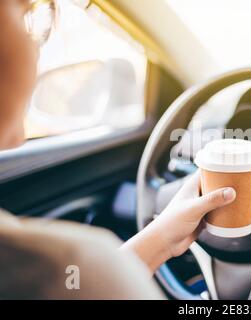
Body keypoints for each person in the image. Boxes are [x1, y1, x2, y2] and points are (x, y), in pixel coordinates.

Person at [0, 0, 237, 299]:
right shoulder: (68, 264)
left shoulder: (59, 271)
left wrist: (163, 237)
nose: (36, 49)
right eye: (25, 17)